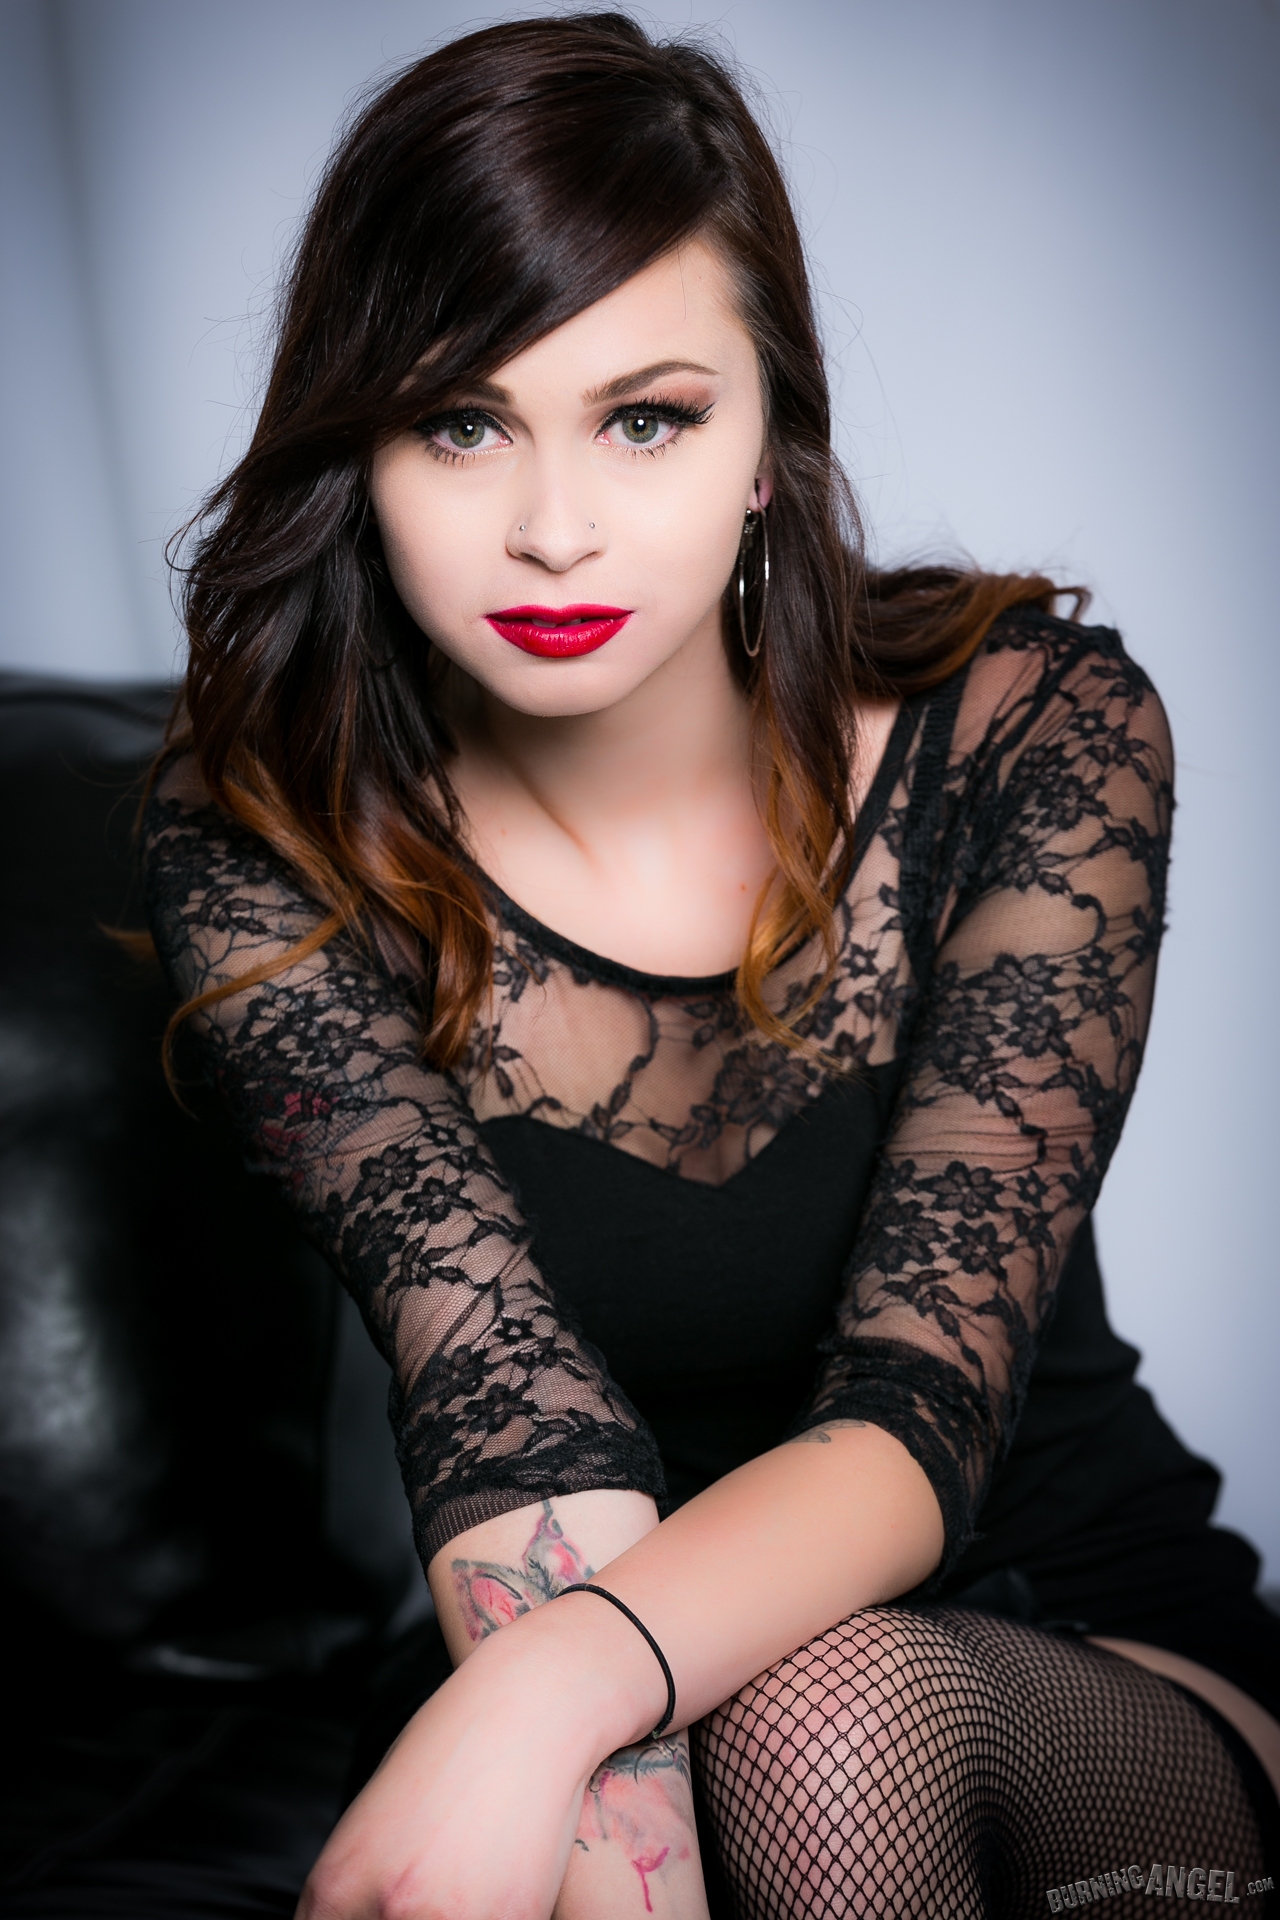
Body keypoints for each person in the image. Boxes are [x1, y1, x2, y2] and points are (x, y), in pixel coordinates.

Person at [142, 14, 1279, 1916]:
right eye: (460, 422)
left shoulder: (1036, 735)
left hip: (1071, 1662)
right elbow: (506, 1417)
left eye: (647, 418)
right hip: (558, 1629)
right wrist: (562, 1730)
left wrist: (545, 1701)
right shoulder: (271, 835)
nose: (553, 528)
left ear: (768, 445)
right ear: (363, 455)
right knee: (734, 1745)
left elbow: (916, 1414)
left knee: (829, 1711)